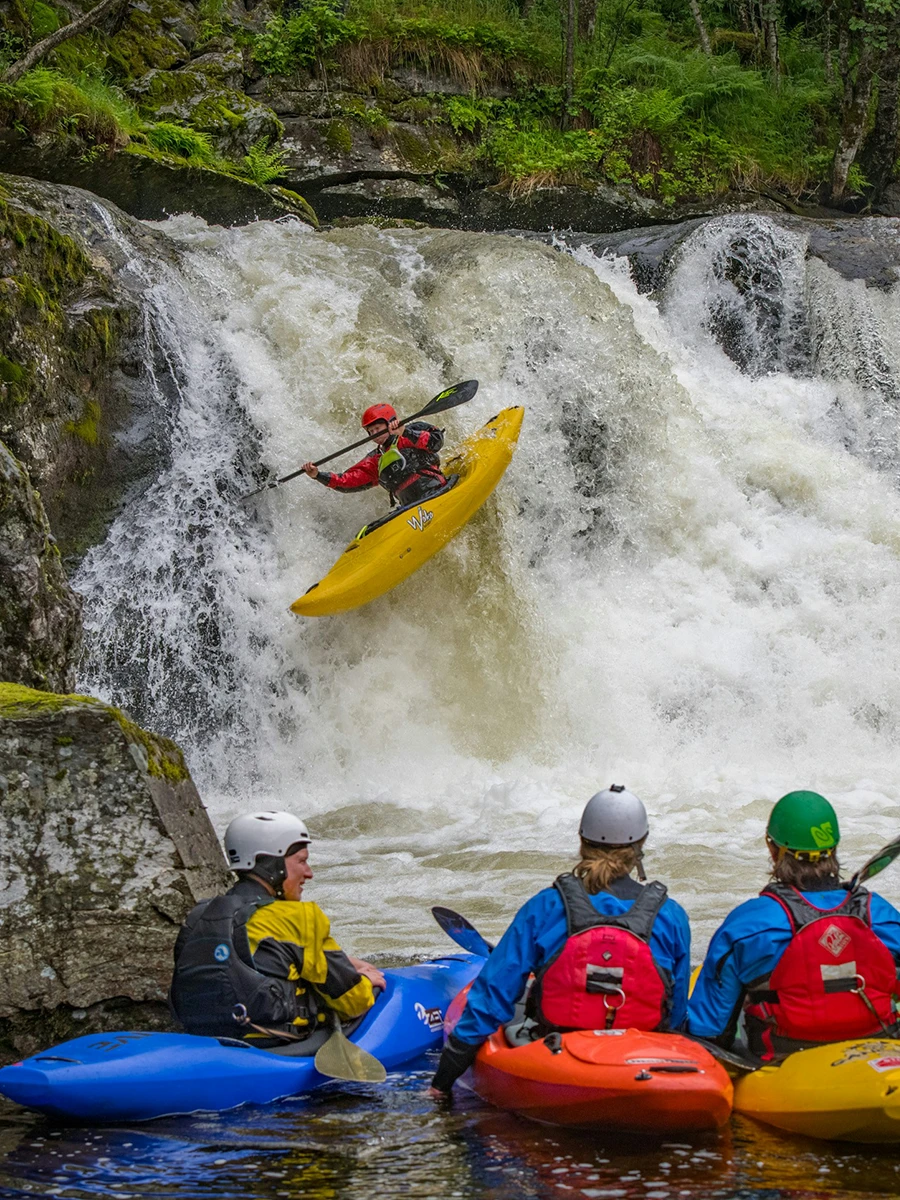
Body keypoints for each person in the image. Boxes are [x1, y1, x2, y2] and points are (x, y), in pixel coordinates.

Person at [429, 786, 692, 1095]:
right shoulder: (671, 915)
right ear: (640, 845)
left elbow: (492, 996)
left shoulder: (546, 906)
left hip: (557, 1050)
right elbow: (675, 1012)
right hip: (641, 1059)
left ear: (582, 842)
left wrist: (441, 1083)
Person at [688, 790, 900, 1060]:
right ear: (834, 848)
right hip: (879, 1055)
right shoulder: (882, 916)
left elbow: (709, 1032)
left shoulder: (748, 925)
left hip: (782, 1062)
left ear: (773, 849)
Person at [170, 810, 385, 1042]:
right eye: (302, 861)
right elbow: (353, 1002)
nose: (309, 873)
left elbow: (247, 959)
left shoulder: (200, 914)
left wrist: (346, 962)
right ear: (272, 864)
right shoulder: (298, 917)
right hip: (274, 1044)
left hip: (202, 1041)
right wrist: (365, 981)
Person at [300, 403, 447, 507]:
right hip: (412, 507)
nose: (374, 435)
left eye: (377, 429)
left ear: (390, 422)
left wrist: (406, 432)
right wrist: (318, 475)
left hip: (437, 491)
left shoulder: (411, 431)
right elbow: (346, 481)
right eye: (370, 432)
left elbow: (436, 442)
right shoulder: (376, 459)